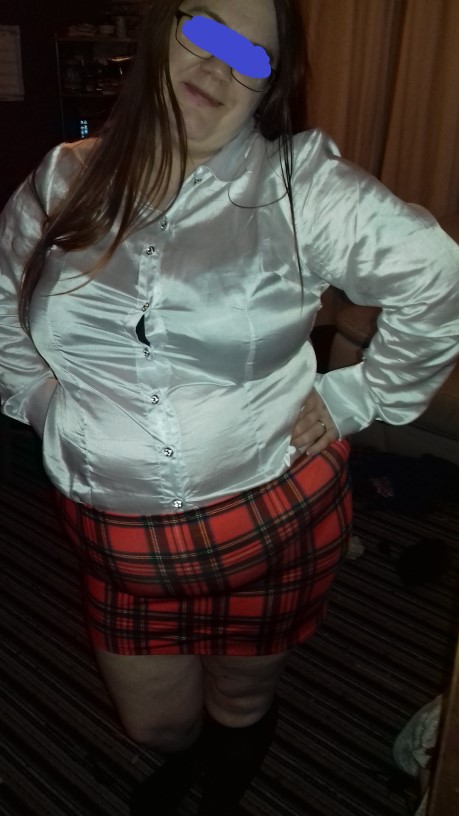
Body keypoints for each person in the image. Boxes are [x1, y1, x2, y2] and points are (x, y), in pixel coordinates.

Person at [0, 1, 458, 814]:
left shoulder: (300, 186)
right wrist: (41, 402)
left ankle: (222, 789)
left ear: (269, 85)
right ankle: (190, 761)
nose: (218, 64)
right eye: (205, 29)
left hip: (272, 520)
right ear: (163, 31)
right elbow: (5, 304)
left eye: (251, 55)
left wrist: (361, 395)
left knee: (241, 700)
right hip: (115, 536)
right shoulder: (64, 177)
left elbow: (438, 277)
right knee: (154, 724)